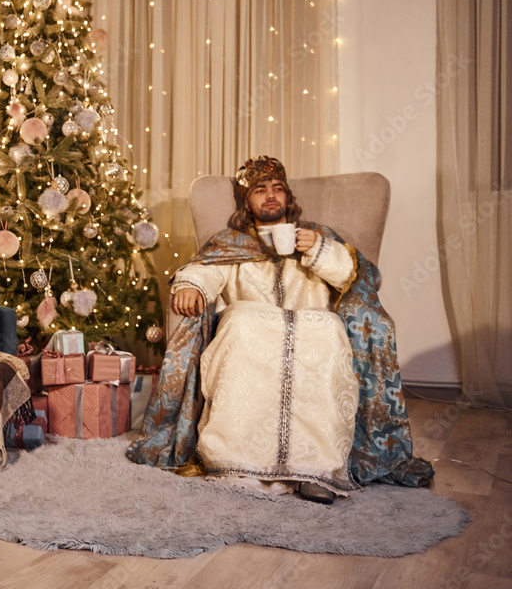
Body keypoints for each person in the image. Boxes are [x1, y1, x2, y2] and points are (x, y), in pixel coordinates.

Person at [127, 155, 433, 503]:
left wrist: (319, 251)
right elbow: (207, 270)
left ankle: (316, 470)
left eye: (277, 189)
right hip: (249, 327)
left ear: (288, 197)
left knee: (329, 331)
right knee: (242, 322)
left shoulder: (319, 238)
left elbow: (362, 278)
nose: (270, 195)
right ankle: (237, 462)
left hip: (313, 328)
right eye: (260, 190)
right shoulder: (232, 243)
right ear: (248, 202)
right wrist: (191, 285)